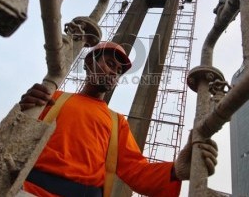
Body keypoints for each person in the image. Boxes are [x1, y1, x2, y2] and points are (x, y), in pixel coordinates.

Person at [20, 41, 218, 197]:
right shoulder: (54, 98)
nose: (114, 72)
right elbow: (17, 136)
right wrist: (23, 109)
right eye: (110, 64)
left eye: (118, 71)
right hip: (27, 190)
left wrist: (176, 171)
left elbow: (136, 171)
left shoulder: (116, 122)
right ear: (89, 64)